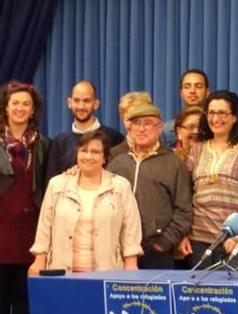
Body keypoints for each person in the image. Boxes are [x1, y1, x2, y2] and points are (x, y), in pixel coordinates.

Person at [30, 129, 141, 276]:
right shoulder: (57, 185)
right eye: (83, 151)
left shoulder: (121, 186)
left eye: (95, 152)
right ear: (77, 155)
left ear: (104, 158)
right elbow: (45, 226)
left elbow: (130, 229)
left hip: (107, 272)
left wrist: (131, 263)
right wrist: (39, 260)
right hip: (62, 272)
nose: (88, 156)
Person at [0, 82, 49, 314]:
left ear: (33, 110)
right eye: (15, 103)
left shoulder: (43, 144)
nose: (20, 109)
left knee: (25, 302)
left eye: (26, 104)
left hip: (31, 235)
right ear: (5, 107)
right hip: (0, 232)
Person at [107, 103, 193, 270]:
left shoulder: (173, 163)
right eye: (136, 124)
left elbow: (184, 210)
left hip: (156, 251)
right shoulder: (117, 162)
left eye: (147, 123)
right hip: (117, 248)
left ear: (160, 127)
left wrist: (163, 243)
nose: (141, 129)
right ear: (129, 128)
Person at [185, 90, 238, 266]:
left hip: (235, 241)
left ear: (235, 117)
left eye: (222, 113)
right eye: (211, 113)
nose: (215, 118)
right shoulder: (197, 149)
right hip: (199, 240)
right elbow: (186, 194)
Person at [44, 81, 124, 180]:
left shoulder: (114, 138)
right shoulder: (59, 142)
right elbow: (51, 182)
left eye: (86, 101)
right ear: (69, 103)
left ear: (96, 104)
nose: (81, 106)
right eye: (76, 100)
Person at [160, 69, 210, 147]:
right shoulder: (167, 130)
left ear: (207, 92)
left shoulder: (215, 125)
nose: (192, 91)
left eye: (198, 86)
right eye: (187, 87)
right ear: (181, 93)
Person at [110, 91, 153, 161]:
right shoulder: (113, 155)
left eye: (137, 119)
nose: (134, 125)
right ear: (122, 119)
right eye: (129, 119)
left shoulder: (166, 154)